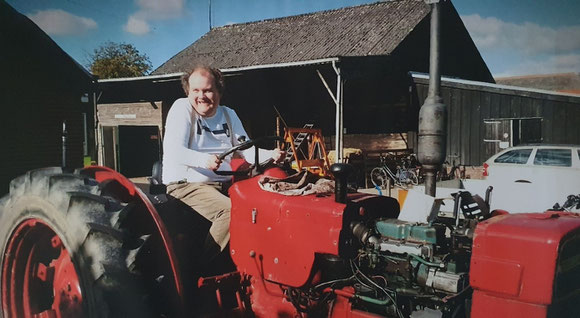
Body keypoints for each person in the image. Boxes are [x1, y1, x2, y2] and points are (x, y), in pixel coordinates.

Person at [162, 65, 284, 266]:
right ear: (188, 92)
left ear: (218, 91)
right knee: (230, 211)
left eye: (208, 90)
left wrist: (271, 155)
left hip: (224, 185)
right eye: (196, 91)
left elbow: (246, 150)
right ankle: (204, 267)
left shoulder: (228, 114)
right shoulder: (182, 108)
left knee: (264, 207)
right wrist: (204, 160)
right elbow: (175, 150)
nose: (201, 96)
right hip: (186, 185)